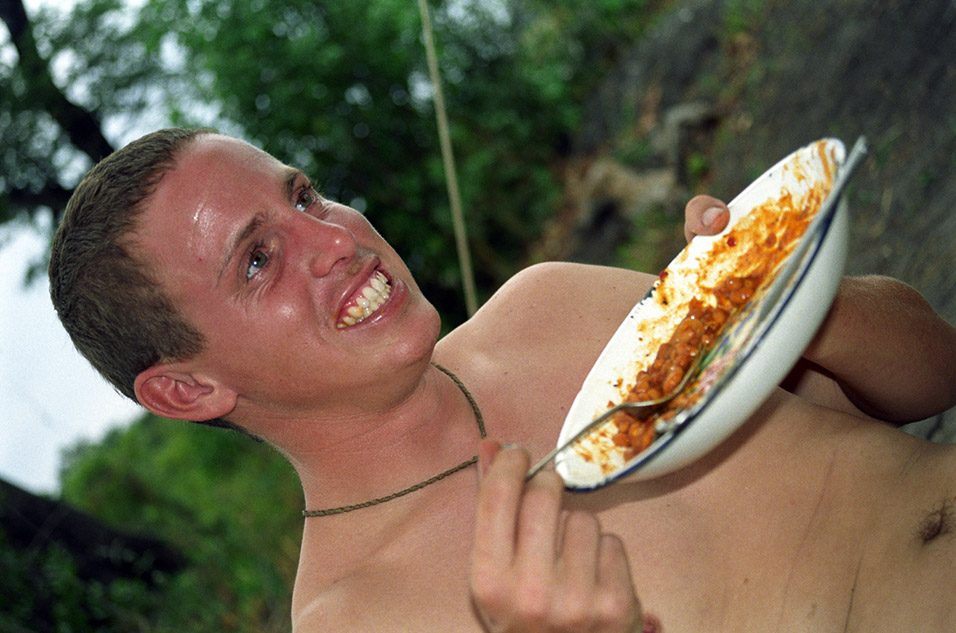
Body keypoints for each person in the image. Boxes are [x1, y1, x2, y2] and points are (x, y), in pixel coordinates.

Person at [49, 128, 956, 632]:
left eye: (304, 195)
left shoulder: (547, 303)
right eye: (258, 261)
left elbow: (933, 372)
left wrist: (780, 292)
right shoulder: (355, 620)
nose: (337, 239)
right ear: (188, 389)